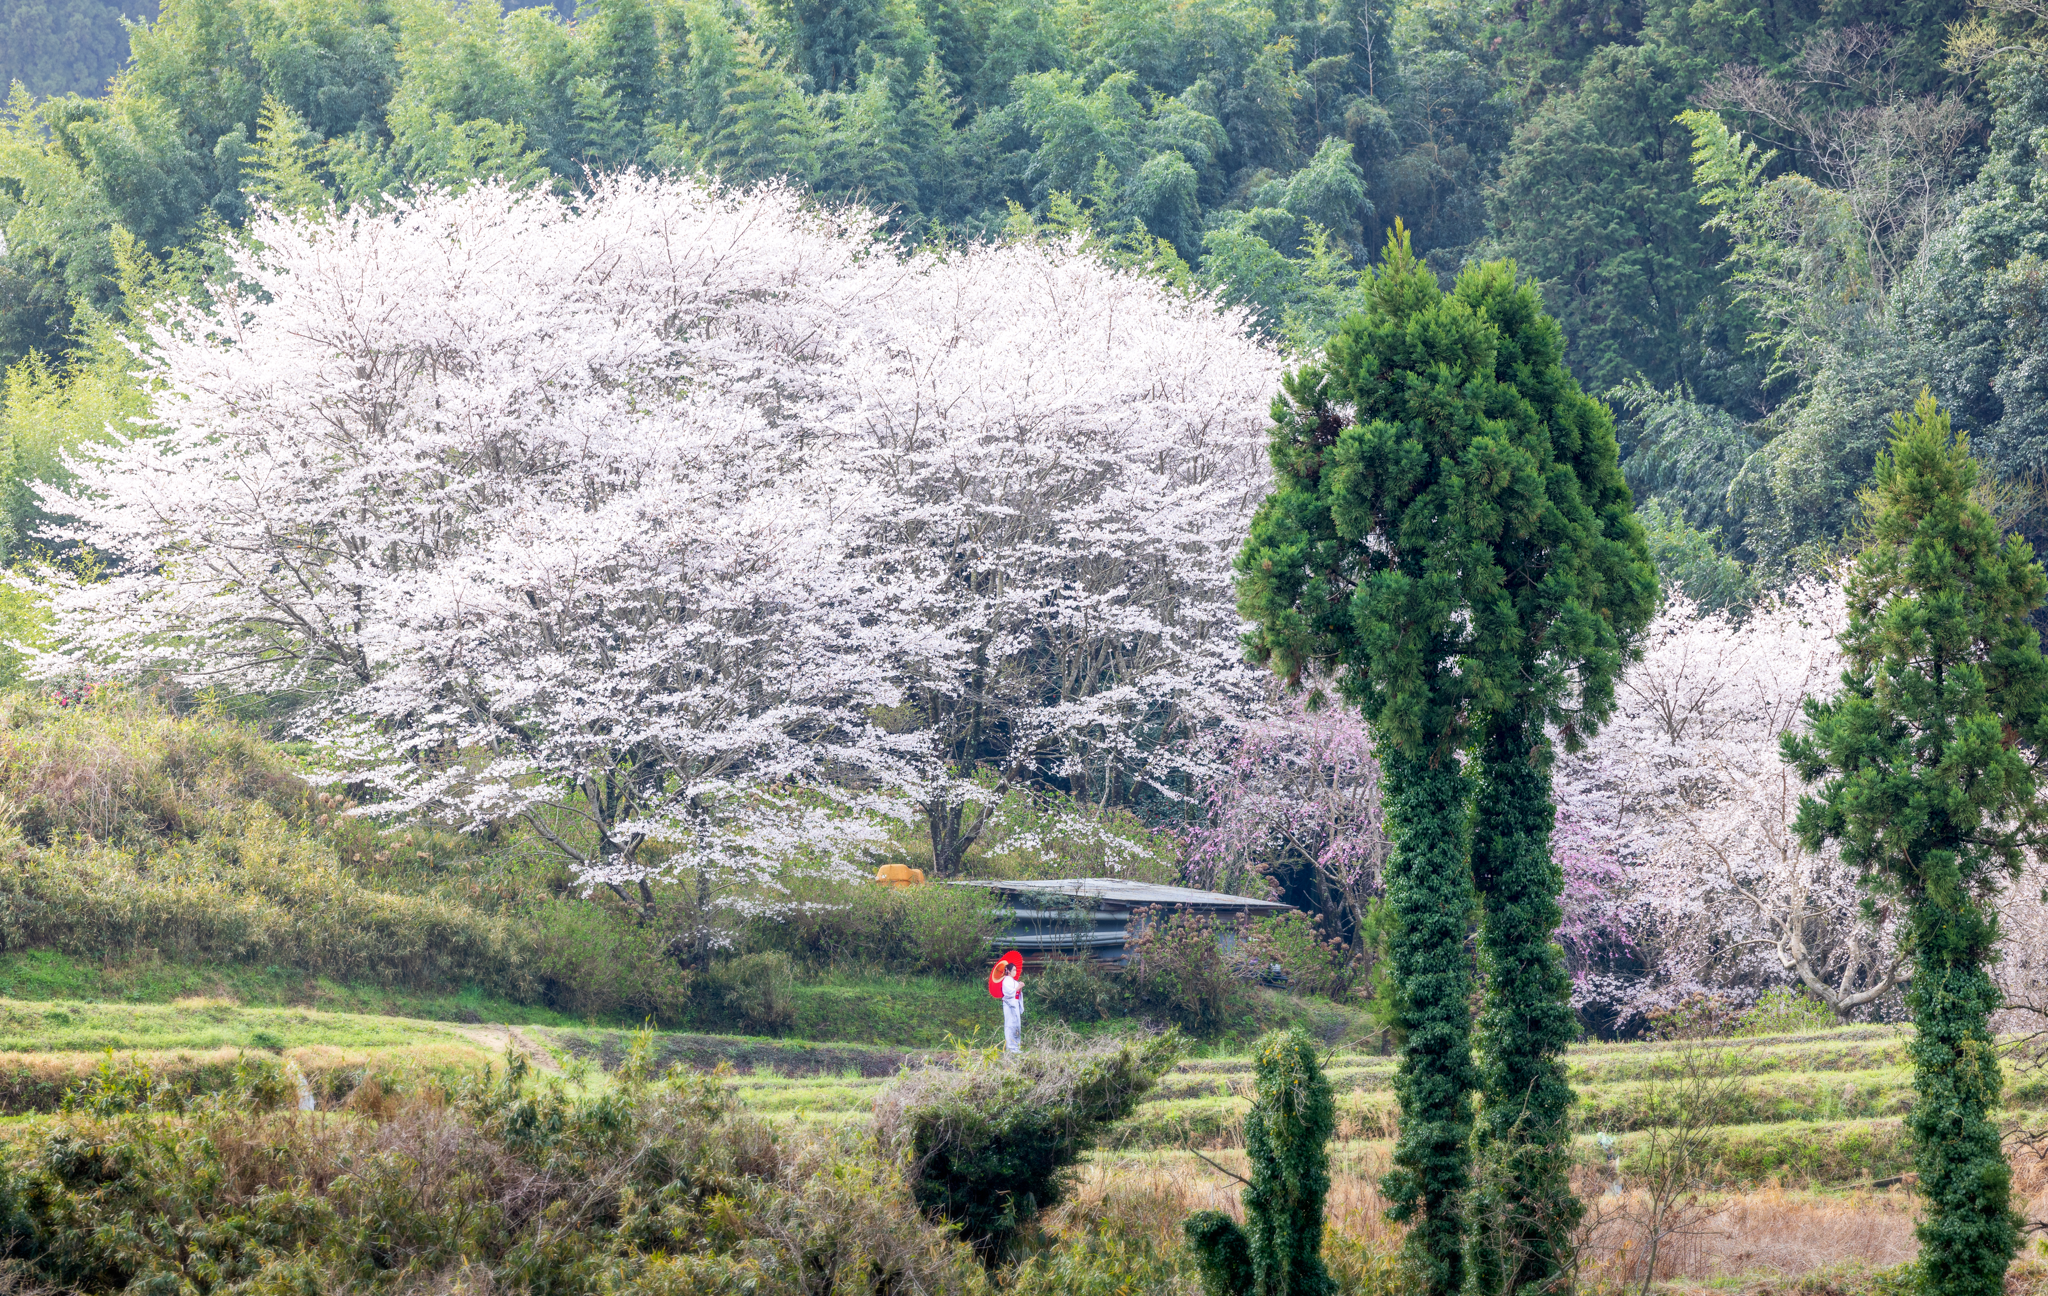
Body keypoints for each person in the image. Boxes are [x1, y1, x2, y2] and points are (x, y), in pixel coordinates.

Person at [1000, 961, 1024, 1052]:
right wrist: (1018, 987)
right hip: (1009, 1005)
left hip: (1015, 1003)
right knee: (1010, 1025)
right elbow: (1007, 993)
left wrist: (1020, 987)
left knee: (1017, 1025)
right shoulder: (1006, 980)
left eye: (1016, 970)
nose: (1015, 971)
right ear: (1008, 971)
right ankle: (1010, 1047)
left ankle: (1016, 1046)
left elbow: (1017, 992)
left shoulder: (1014, 981)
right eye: (1013, 969)